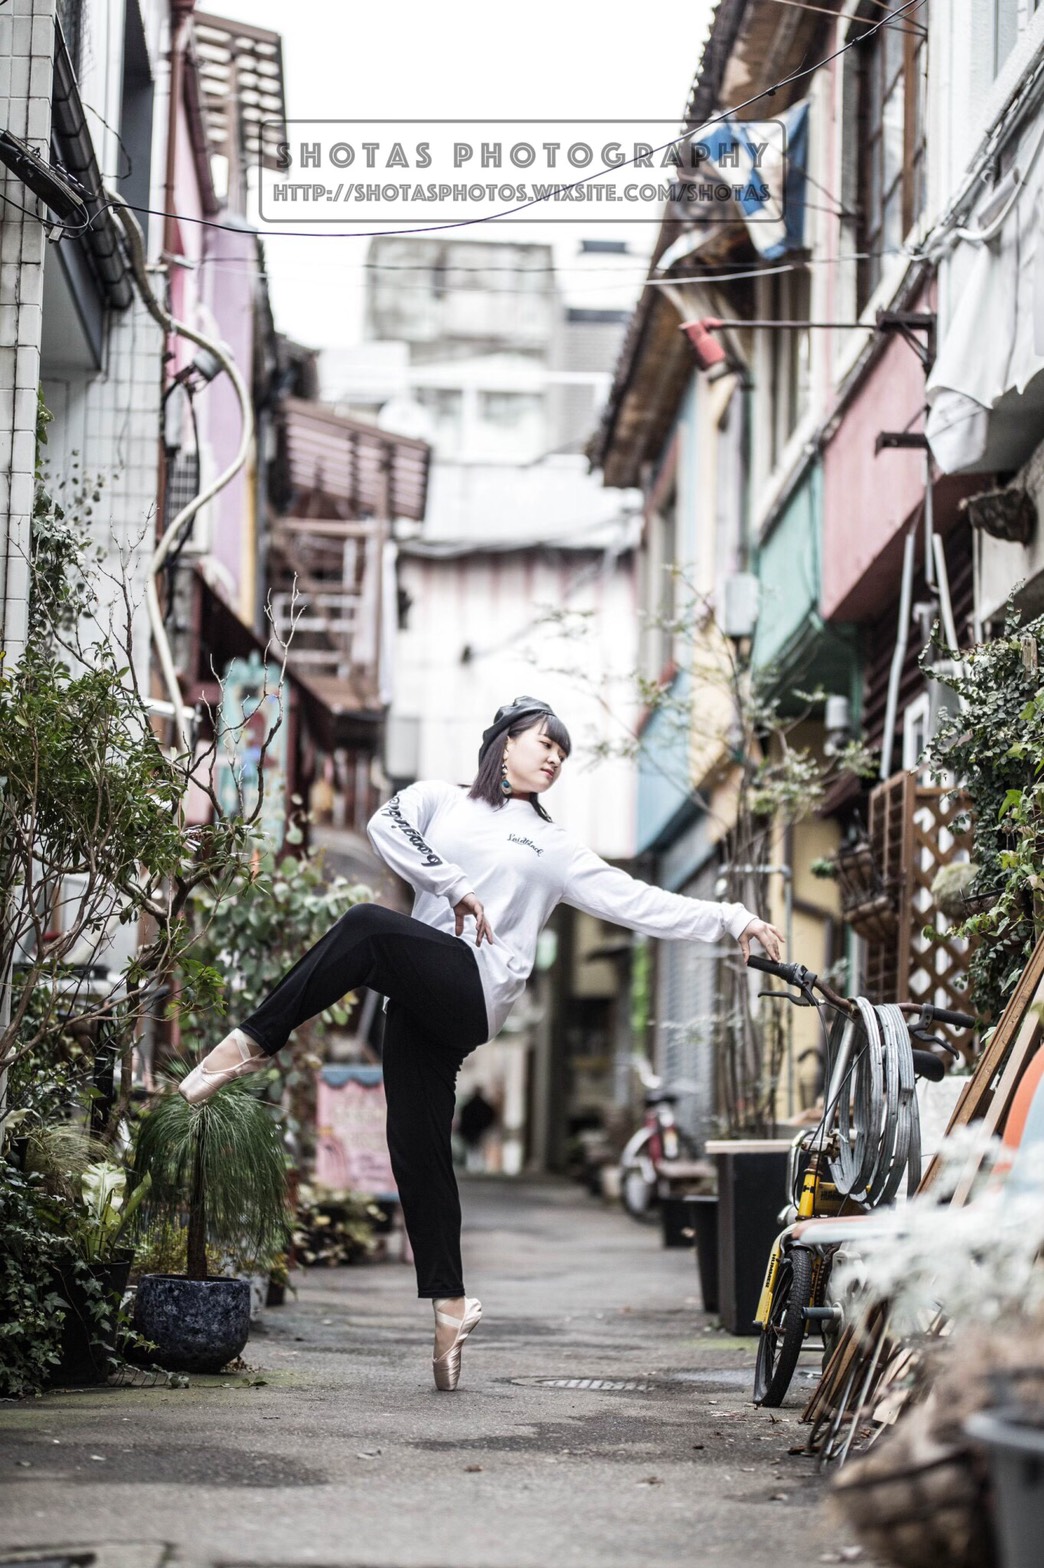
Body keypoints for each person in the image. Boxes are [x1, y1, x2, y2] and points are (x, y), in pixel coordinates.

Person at [179, 695, 784, 1392]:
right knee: (416, 1149)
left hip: (474, 986)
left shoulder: (552, 844)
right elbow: (385, 826)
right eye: (542, 741)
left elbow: (639, 900)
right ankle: (450, 1306)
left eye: (563, 750)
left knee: (366, 927)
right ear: (504, 741)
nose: (554, 756)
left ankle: (254, 1040)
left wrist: (731, 917)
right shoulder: (439, 800)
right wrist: (454, 885)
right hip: (418, 995)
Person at [457, 1085, 498, 1172]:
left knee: (472, 1150)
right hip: (479, 1131)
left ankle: (472, 1167)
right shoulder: (484, 1106)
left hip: (472, 1131)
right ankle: (476, 1167)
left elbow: (463, 1118)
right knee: (477, 1149)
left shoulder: (469, 1106)